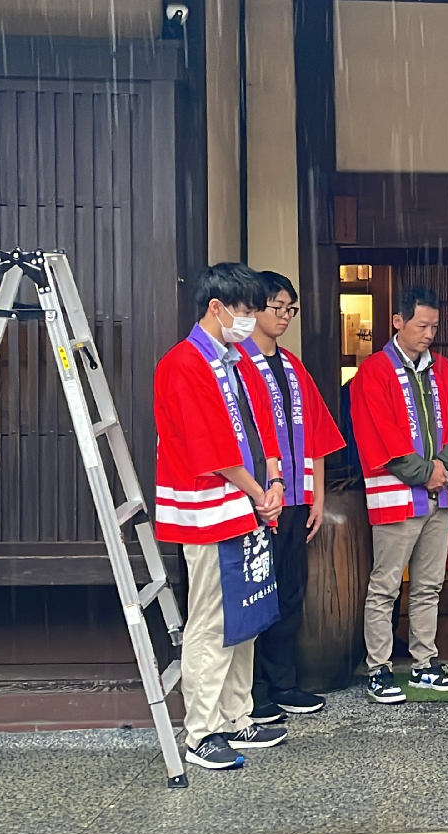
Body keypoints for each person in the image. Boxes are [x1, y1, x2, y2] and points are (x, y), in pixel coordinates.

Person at [153, 263, 288, 770]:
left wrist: (273, 483)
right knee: (211, 618)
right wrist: (261, 490)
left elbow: (263, 427)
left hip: (247, 503)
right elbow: (212, 448)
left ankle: (237, 714)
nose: (252, 320)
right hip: (210, 506)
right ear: (218, 307)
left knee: (247, 614)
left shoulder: (234, 359)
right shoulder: (184, 363)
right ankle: (201, 730)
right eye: (247, 311)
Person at [352, 287, 448, 703]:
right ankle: (379, 668)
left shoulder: (444, 369)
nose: (428, 334)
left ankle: (425, 663)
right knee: (385, 585)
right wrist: (427, 472)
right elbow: (377, 432)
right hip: (396, 494)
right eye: (421, 325)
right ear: (398, 321)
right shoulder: (374, 371)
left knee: (429, 584)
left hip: (439, 493)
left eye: (434, 327)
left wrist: (444, 467)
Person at [240, 272, 346, 724]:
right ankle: (253, 692)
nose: (283, 317)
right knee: (255, 594)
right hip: (257, 501)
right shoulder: (237, 363)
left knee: (288, 593)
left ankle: (283, 683)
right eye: (275, 307)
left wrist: (318, 497)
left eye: (290, 308)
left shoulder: (293, 366)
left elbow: (317, 436)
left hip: (297, 499)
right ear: (253, 309)